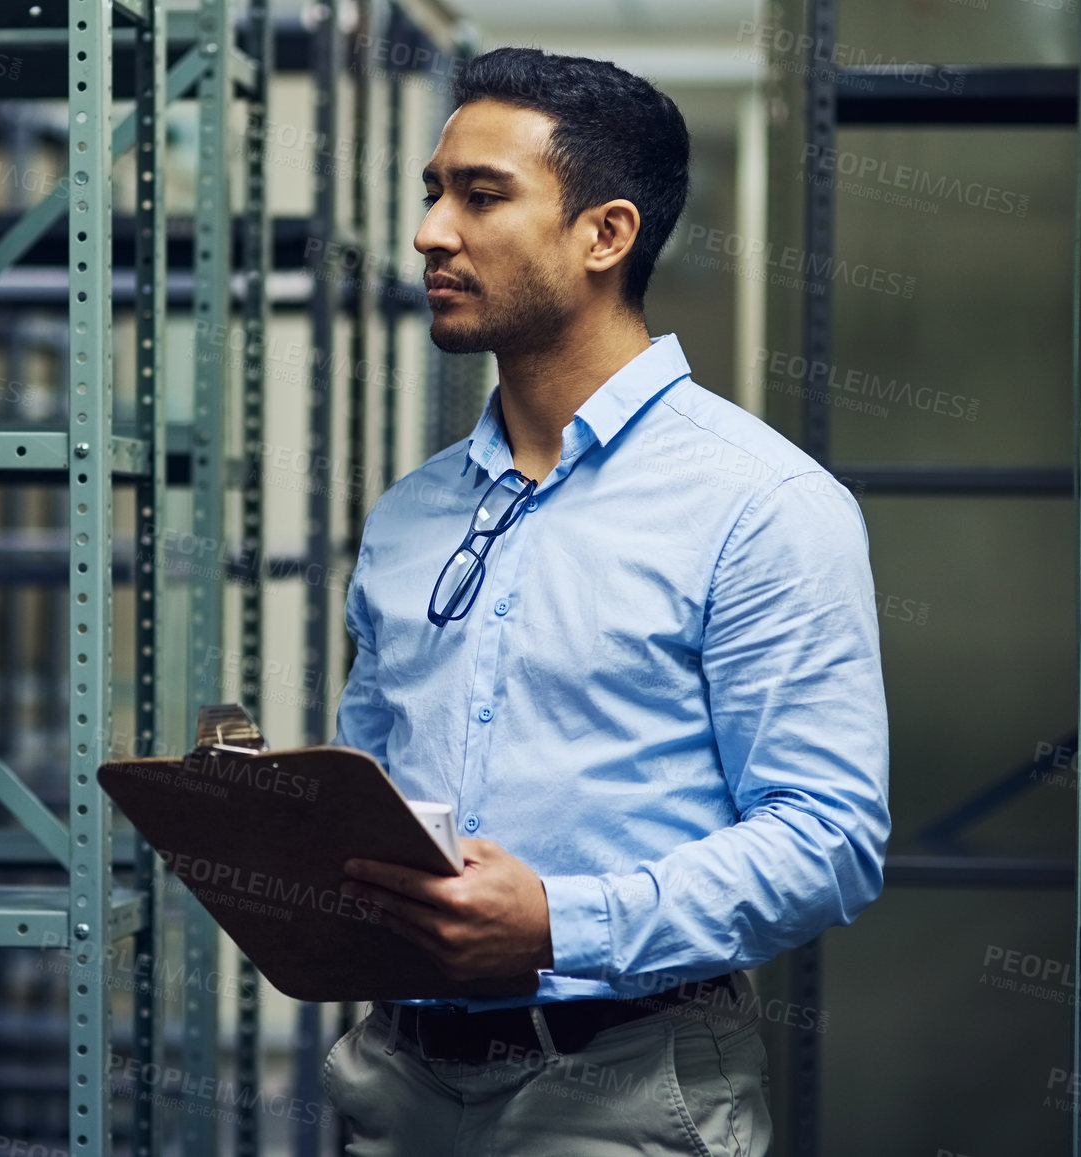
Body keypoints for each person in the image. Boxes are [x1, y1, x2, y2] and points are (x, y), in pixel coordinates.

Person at [325, 47, 890, 1156]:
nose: (433, 231)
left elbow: (828, 839)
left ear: (605, 235)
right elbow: (373, 793)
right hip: (397, 1079)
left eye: (482, 196)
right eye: (434, 192)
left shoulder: (763, 505)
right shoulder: (411, 513)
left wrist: (557, 923)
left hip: (624, 1090)